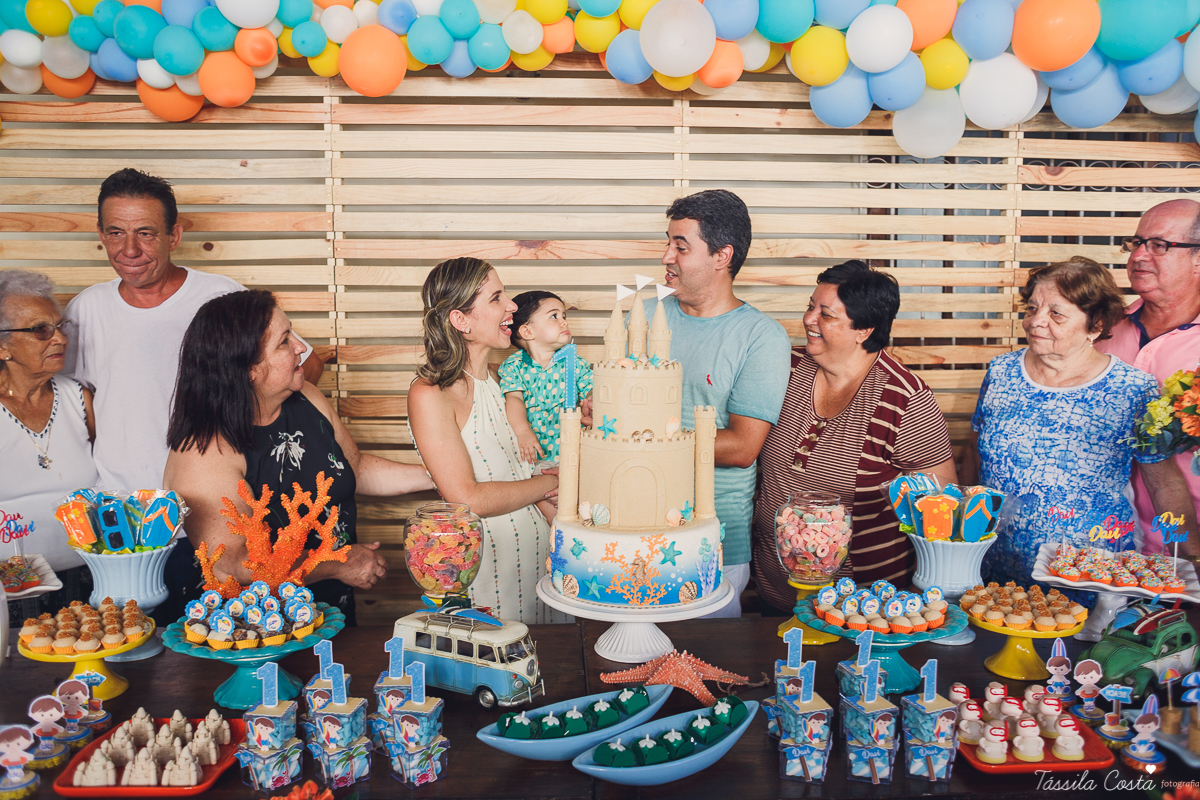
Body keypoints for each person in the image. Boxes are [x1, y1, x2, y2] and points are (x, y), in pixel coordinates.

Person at [65, 168, 323, 621]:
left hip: (211, 526)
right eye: (116, 232)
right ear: (100, 235)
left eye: (146, 233)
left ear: (175, 235)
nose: (129, 249)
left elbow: (302, 367)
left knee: (216, 646)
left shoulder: (218, 295)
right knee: (130, 651)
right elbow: (75, 402)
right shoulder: (86, 309)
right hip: (122, 529)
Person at [162, 290, 434, 625]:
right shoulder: (204, 451)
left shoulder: (304, 395)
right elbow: (234, 563)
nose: (301, 348)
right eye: (284, 342)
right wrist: (338, 562)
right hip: (247, 628)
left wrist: (442, 477)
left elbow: (355, 469)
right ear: (248, 369)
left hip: (325, 608)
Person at [964, 257, 1198, 589]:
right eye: (1032, 309)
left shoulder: (1132, 389)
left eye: (1056, 314)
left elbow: (1164, 484)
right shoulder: (1001, 371)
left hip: (1087, 573)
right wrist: (961, 535)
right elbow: (975, 452)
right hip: (994, 562)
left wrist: (1192, 558)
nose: (1035, 321)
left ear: (1096, 324)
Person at [752, 261, 957, 611]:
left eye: (826, 314)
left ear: (863, 330)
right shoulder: (787, 368)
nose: (809, 319)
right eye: (810, 306)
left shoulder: (904, 399)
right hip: (772, 595)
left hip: (859, 607)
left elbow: (941, 507)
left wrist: (922, 601)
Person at [653, 190, 791, 617]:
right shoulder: (649, 317)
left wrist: (644, 437)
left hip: (712, 545)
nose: (666, 257)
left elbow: (742, 447)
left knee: (703, 657)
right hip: (633, 525)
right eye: (668, 243)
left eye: (681, 247)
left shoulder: (761, 337)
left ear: (721, 256)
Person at [407, 258, 568, 624]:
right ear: (461, 320)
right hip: (490, 577)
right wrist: (551, 482)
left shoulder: (508, 379)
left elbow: (541, 449)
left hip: (548, 568)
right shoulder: (431, 394)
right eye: (497, 298)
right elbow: (468, 498)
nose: (512, 305)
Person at [1096, 199, 1200, 557]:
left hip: (1188, 550)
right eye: (1136, 243)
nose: (1139, 255)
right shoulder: (1100, 331)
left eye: (1159, 245)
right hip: (1103, 548)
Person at [0, 270, 97, 613]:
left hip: (88, 581)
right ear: (2, 347)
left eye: (60, 327)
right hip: (9, 594)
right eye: (41, 330)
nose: (60, 339)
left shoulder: (79, 398)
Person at [500, 290, 593, 462]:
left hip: (571, 451)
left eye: (564, 316)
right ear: (527, 332)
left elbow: (591, 389)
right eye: (554, 316)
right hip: (533, 454)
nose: (564, 322)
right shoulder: (514, 366)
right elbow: (514, 399)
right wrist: (522, 431)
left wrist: (592, 399)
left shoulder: (575, 363)